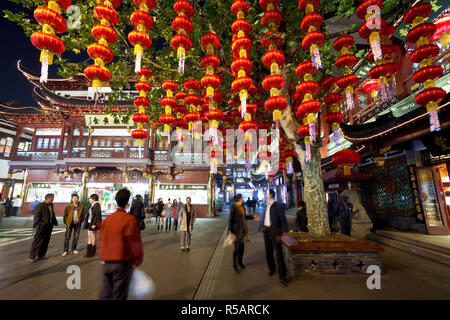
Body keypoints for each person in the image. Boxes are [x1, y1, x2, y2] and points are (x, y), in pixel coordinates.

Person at [99, 188, 143, 300]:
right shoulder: (130, 220)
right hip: (122, 263)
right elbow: (135, 243)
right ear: (128, 202)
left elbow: (102, 239)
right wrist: (137, 260)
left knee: (106, 294)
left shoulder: (108, 220)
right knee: (119, 295)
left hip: (106, 262)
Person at [260, 189, 289, 286]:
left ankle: (283, 276)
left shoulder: (277, 206)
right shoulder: (267, 205)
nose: (264, 195)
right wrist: (262, 226)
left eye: (266, 194)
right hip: (266, 231)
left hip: (276, 233)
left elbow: (283, 220)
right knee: (268, 252)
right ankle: (272, 269)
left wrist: (284, 232)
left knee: (279, 255)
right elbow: (266, 217)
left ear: (270, 195)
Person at [228, 194, 259, 273]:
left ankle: (240, 262)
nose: (243, 199)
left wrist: (252, 217)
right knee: (236, 249)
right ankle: (235, 265)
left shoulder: (242, 207)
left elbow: (244, 217)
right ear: (239, 199)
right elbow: (230, 219)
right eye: (242, 198)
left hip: (243, 230)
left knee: (242, 248)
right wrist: (229, 230)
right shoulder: (234, 207)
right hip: (236, 231)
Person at [29, 193, 58, 262]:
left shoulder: (51, 205)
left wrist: (54, 222)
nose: (53, 199)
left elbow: (52, 214)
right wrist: (39, 225)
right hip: (41, 227)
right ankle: (32, 256)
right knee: (37, 242)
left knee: (46, 241)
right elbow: (36, 217)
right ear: (48, 198)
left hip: (49, 226)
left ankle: (42, 255)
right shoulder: (40, 205)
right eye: (52, 198)